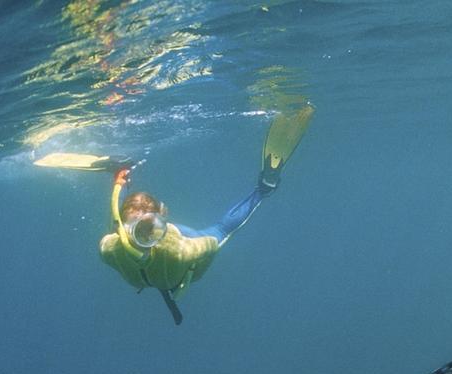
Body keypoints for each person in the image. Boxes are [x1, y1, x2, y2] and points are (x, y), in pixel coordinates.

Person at [96, 105, 313, 324]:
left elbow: (207, 244)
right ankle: (264, 188)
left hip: (178, 250)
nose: (140, 238)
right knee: (221, 229)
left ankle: (122, 175)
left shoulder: (114, 248)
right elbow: (211, 241)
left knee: (217, 231)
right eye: (134, 229)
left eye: (144, 228)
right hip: (177, 257)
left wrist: (120, 182)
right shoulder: (175, 253)